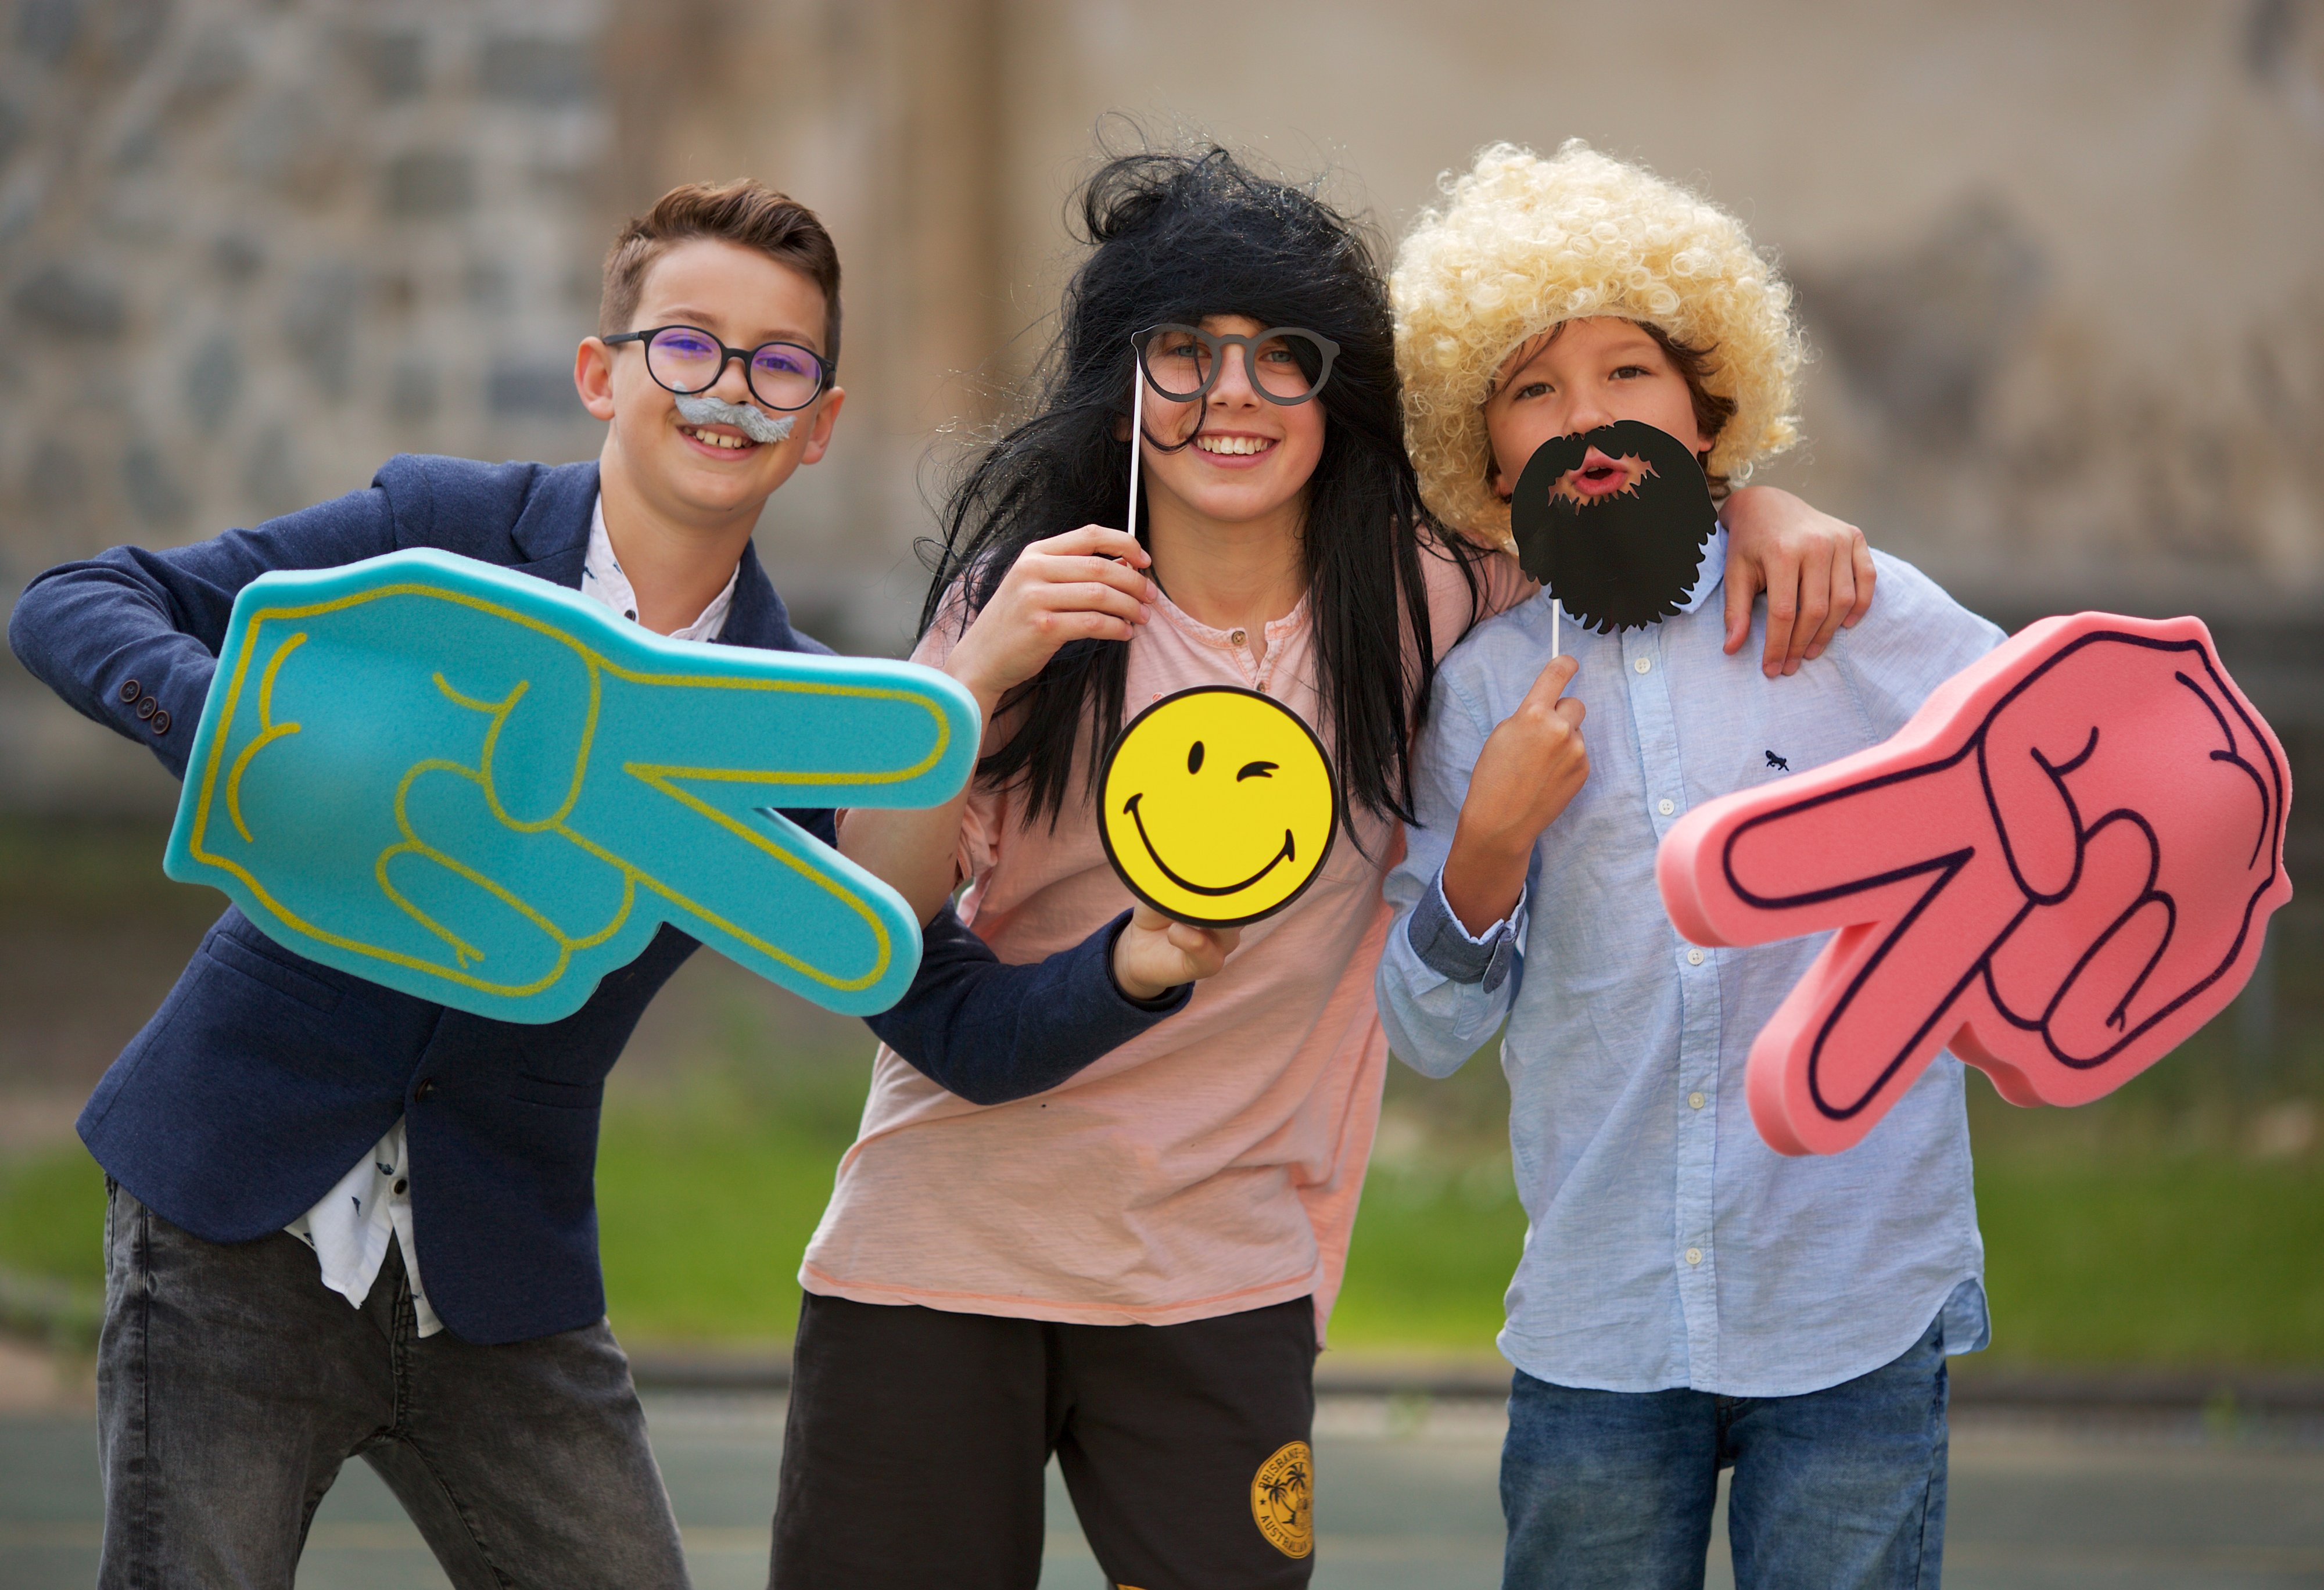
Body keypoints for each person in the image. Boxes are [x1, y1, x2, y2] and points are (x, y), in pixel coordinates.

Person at [7, 174, 1223, 1590]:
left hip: (500, 1276)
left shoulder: (795, 718)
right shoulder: (442, 533)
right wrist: (255, 737)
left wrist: (1134, 966)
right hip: (229, 1208)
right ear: (602, 372)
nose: (730, 391)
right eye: (687, 345)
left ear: (821, 423)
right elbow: (74, 601)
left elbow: (934, 1003)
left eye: (779, 365)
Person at [774, 145, 1876, 1590]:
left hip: (1224, 1275)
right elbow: (876, 912)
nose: (1230, 395)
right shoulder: (1030, 603)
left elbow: (1612, 497)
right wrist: (971, 678)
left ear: (1335, 387)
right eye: (1183, 352)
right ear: (1122, 384)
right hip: (933, 1255)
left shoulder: (1430, 595)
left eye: (1279, 355)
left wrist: (1752, 505)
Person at [1377, 141, 2004, 1589]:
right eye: (1531, 389)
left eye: (1628, 371)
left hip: (1853, 1294)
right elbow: (1423, 1028)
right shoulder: (1479, 694)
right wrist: (1488, 846)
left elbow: (2049, 765)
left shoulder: (1846, 605)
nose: (1586, 415)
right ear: (1485, 457)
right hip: (1601, 1322)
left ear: (1708, 406)